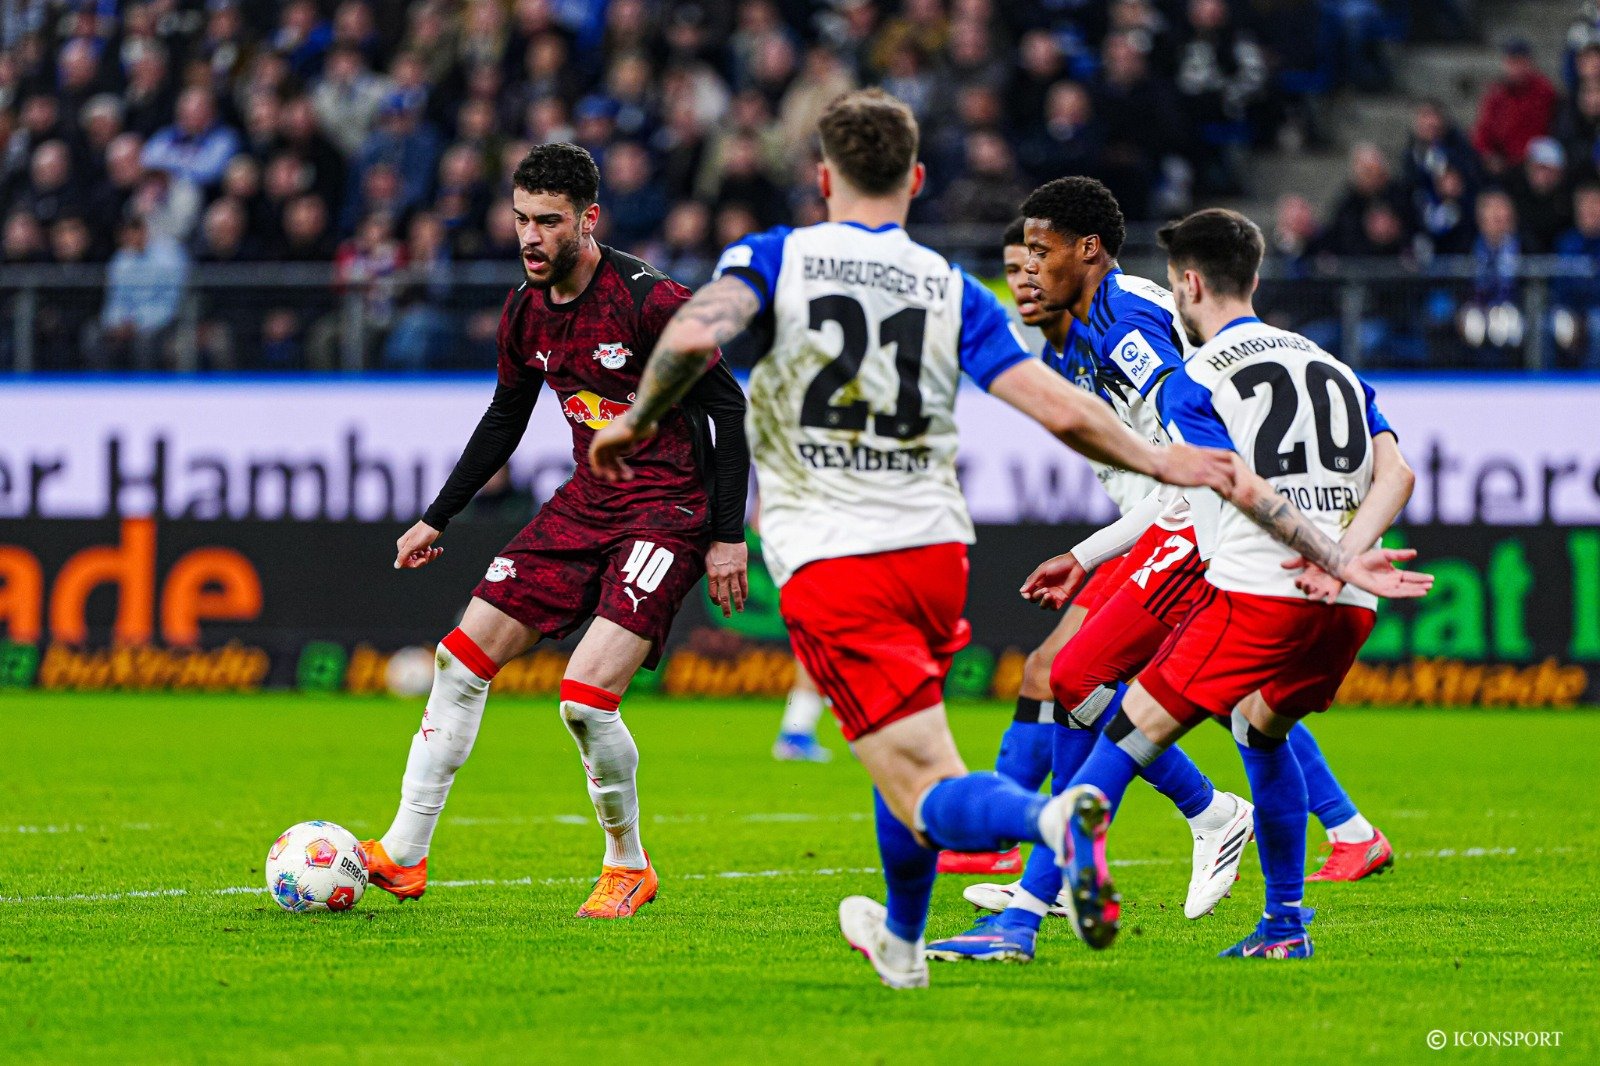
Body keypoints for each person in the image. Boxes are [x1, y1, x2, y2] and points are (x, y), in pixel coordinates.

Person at [590, 88, 1239, 989]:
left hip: (833, 555)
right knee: (899, 748)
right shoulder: (950, 286)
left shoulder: (776, 256)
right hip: (933, 557)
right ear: (918, 179)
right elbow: (1054, 405)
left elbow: (702, 328)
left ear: (824, 179)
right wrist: (1158, 459)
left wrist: (637, 415)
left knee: (922, 779)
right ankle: (901, 942)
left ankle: (1057, 825)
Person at [363, 143, 752, 920]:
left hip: (667, 511)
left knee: (583, 699)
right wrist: (437, 515)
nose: (530, 237)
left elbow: (727, 409)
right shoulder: (524, 311)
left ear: (588, 219)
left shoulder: (652, 303)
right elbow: (505, 417)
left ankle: (627, 865)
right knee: (459, 660)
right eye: (521, 220)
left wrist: (726, 535)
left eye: (547, 221)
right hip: (585, 504)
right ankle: (403, 853)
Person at [1037, 207, 1432, 959]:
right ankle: (1288, 920)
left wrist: (1326, 553)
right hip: (1347, 603)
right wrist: (1346, 555)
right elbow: (1400, 474)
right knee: (1258, 725)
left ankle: (1037, 900)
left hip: (1259, 587)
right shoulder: (1333, 364)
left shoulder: (1192, 378)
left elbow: (1236, 486)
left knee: (1123, 725)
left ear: (1188, 284)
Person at [928, 197, 1254, 963]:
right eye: (1018, 263)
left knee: (1078, 677)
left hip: (1198, 521)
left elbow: (1192, 459)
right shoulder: (1069, 346)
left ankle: (1212, 817)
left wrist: (1093, 550)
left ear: (1089, 249)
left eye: (1039, 256)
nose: (1027, 274)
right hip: (1170, 519)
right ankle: (1053, 883)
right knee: (1083, 683)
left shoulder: (1125, 325)